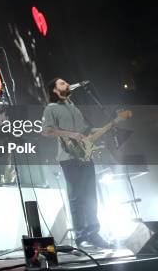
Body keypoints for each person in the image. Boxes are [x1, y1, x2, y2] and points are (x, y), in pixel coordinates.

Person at [42, 78, 111, 251]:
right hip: (68, 157)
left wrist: (104, 128)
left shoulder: (74, 107)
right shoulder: (51, 108)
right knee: (77, 197)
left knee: (91, 196)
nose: (67, 84)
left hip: (85, 156)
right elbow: (47, 130)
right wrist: (72, 134)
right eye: (62, 83)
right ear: (55, 91)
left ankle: (94, 234)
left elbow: (83, 132)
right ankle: (81, 237)